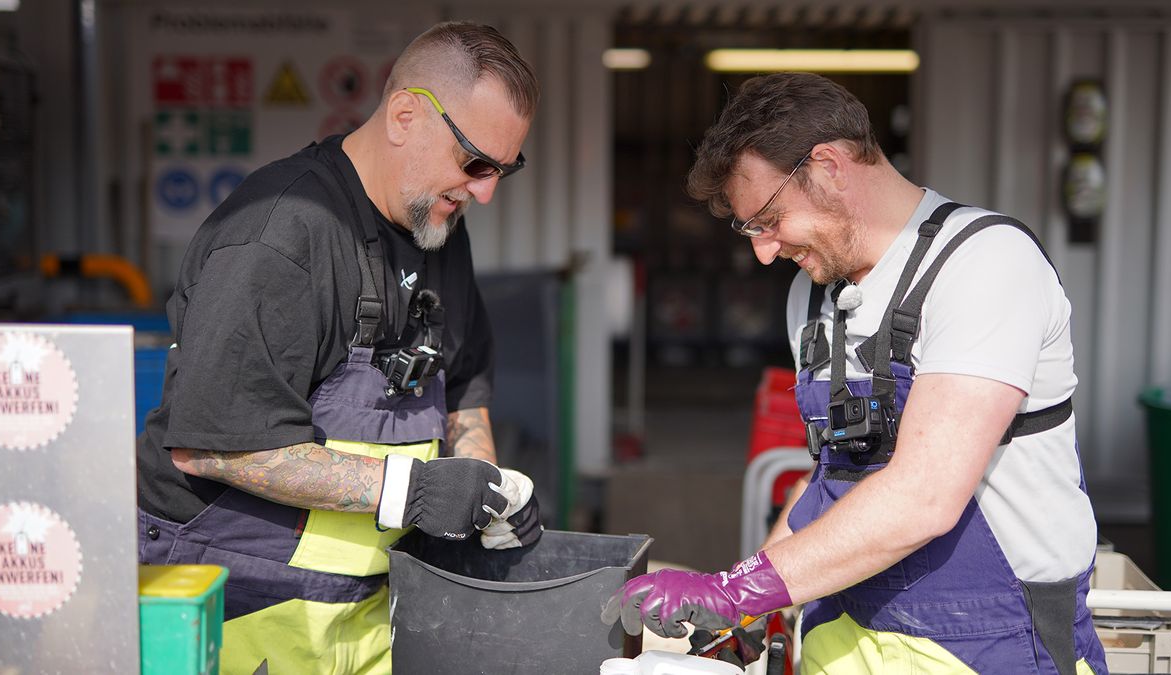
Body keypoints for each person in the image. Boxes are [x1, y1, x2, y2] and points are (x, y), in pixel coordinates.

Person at [603, 72, 1107, 674]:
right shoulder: (812, 299)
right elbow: (833, 476)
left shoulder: (984, 265)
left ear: (829, 166)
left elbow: (925, 494)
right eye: (749, 230)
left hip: (990, 647)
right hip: (840, 637)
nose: (762, 251)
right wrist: (751, 607)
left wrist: (738, 590)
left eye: (768, 218)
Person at [136, 21, 543, 674]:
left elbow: (464, 384)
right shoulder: (281, 236)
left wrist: (483, 492)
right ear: (405, 114)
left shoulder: (439, 227)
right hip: (239, 603)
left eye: (504, 168)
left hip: (365, 610)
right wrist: (407, 490)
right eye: (474, 162)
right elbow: (212, 441)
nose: (487, 190)